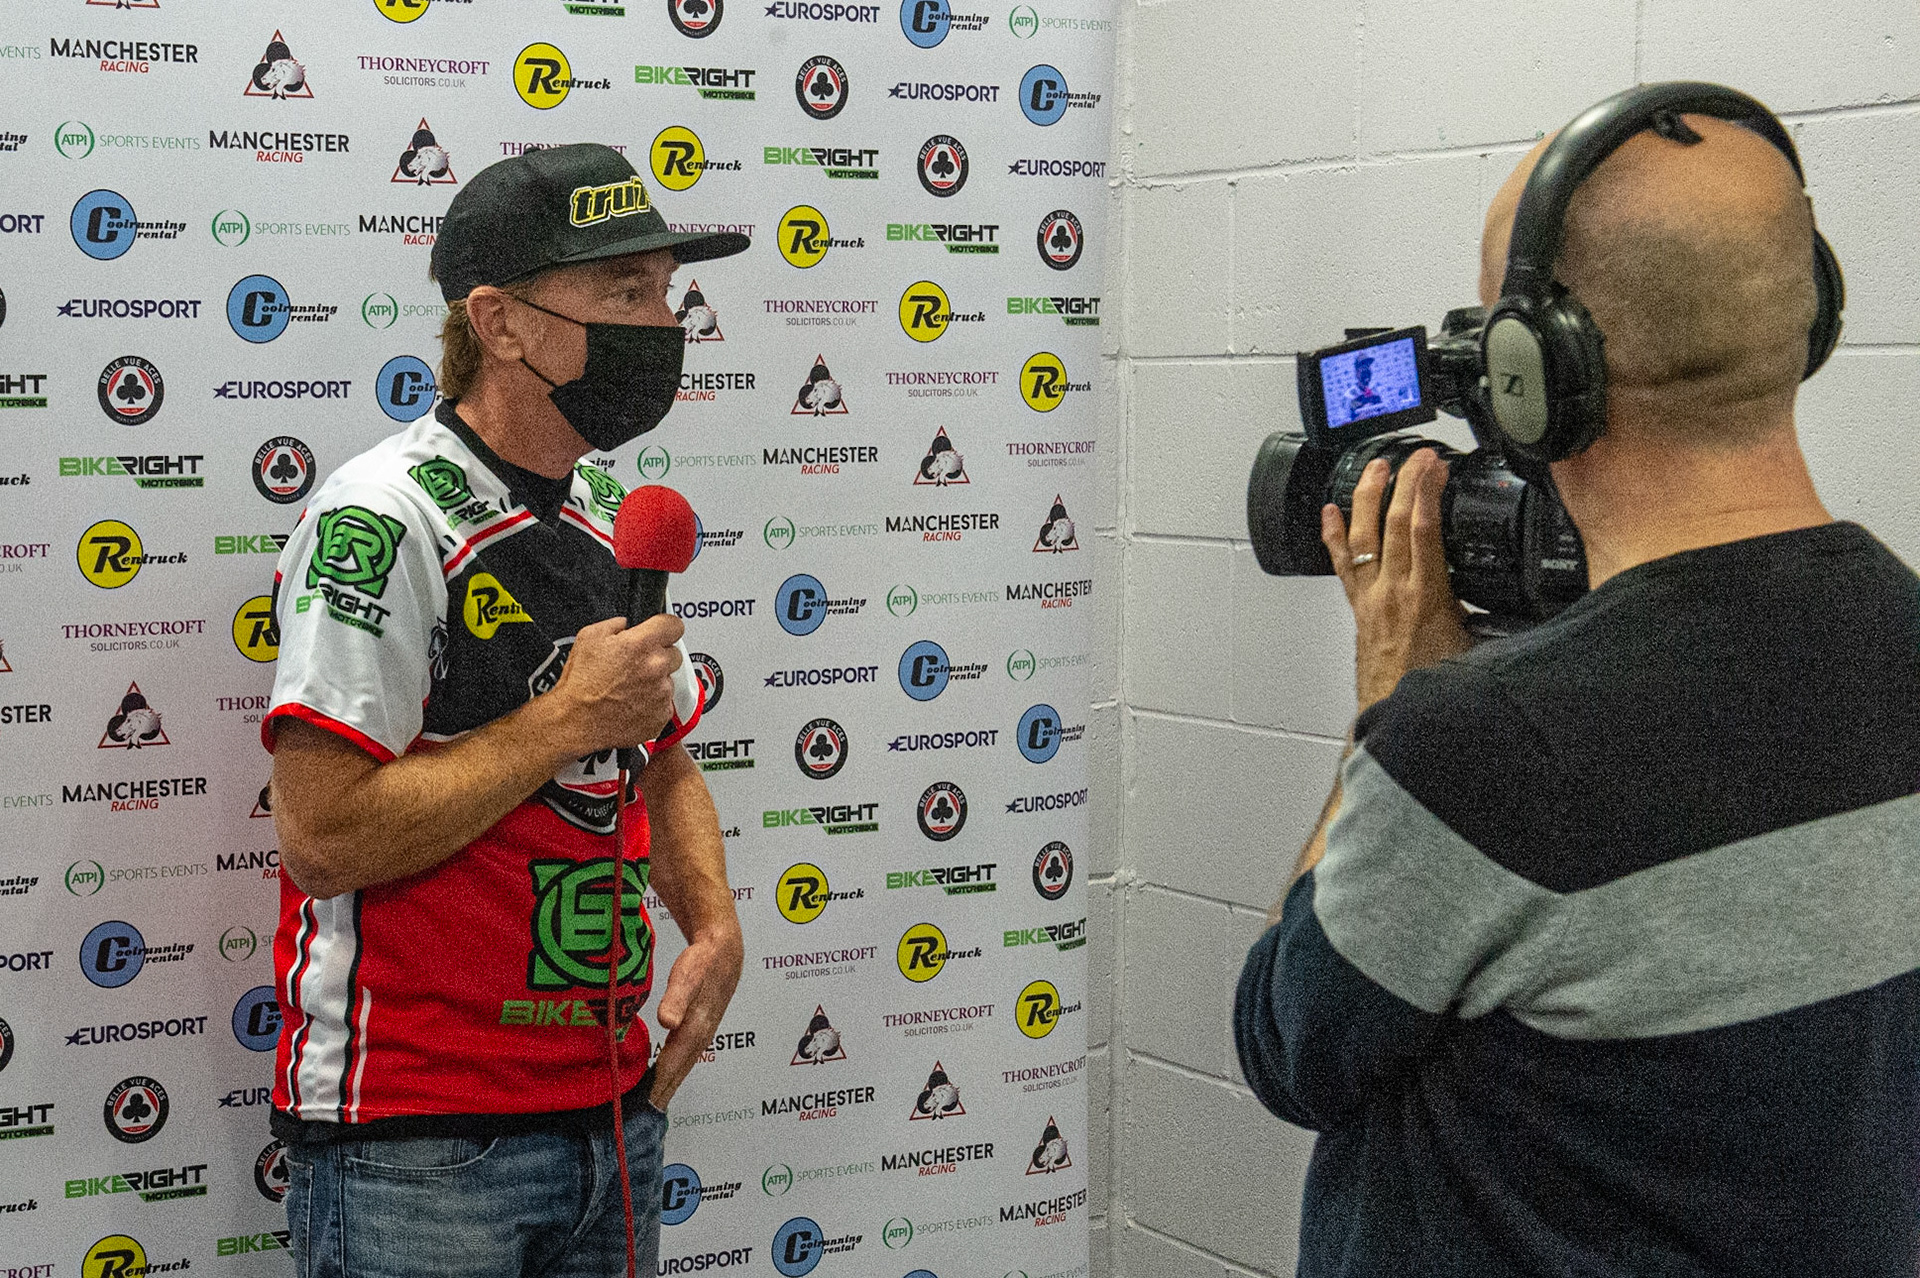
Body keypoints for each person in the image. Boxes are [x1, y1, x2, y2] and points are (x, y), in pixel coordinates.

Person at [1233, 101, 1920, 1276]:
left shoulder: (1480, 752)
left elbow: (1291, 1045)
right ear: (1808, 315)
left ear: (1532, 374)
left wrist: (1391, 704)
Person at [261, 143, 748, 1278]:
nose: (662, 324)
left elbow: (662, 758)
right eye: (625, 294)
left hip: (612, 1115)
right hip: (420, 1145)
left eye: (667, 292)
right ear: (502, 322)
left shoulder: (615, 512)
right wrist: (559, 722)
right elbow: (322, 837)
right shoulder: (382, 522)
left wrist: (714, 926)